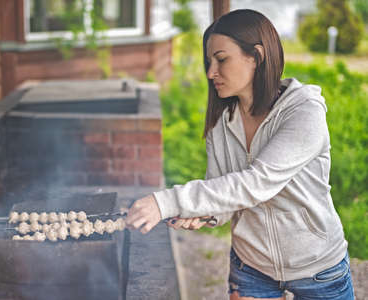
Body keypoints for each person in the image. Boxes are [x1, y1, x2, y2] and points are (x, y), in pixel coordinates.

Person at [125, 9, 354, 300]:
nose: (211, 72)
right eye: (209, 61)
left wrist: (166, 201)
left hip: (318, 270)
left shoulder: (303, 111)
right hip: (251, 269)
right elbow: (226, 197)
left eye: (221, 59)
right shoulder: (222, 122)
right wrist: (202, 214)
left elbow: (256, 183)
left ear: (256, 56)